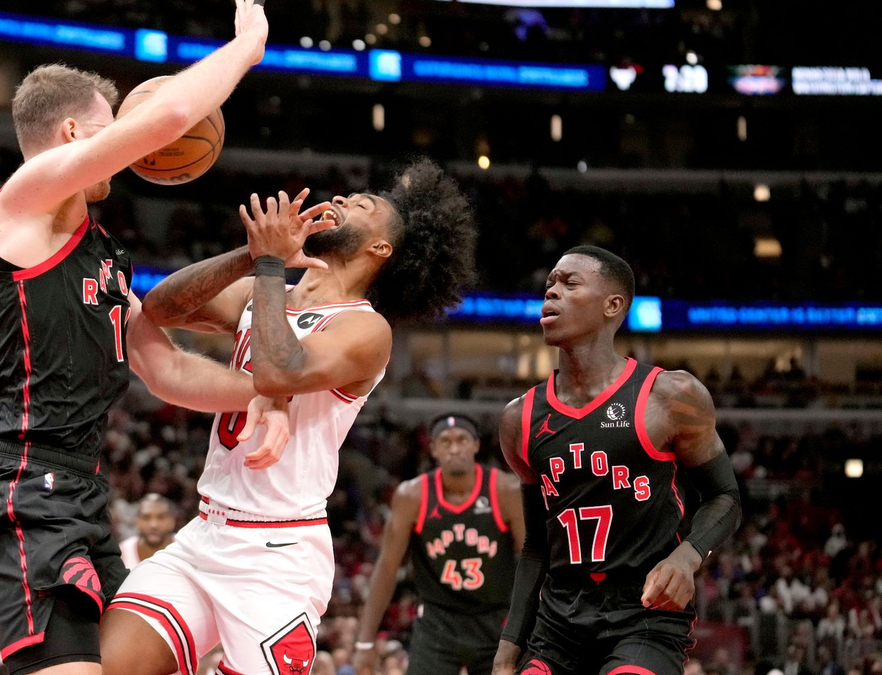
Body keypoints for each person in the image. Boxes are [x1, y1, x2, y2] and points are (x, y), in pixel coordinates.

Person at [0, 4, 282, 675]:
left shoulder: (104, 255)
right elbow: (163, 119)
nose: (133, 149)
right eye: (112, 130)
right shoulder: (24, 202)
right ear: (74, 132)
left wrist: (265, 392)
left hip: (78, 489)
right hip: (20, 477)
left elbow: (164, 368)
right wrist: (247, 47)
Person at [102, 158, 478, 675]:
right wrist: (253, 255)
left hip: (277, 554)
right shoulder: (270, 288)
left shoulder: (366, 331)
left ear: (380, 249)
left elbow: (277, 372)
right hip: (204, 534)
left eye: (361, 205)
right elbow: (164, 307)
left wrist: (271, 267)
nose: (342, 200)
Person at [492, 246, 742, 675]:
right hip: (559, 619)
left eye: (570, 284)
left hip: (645, 610)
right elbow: (536, 546)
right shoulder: (520, 419)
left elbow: (726, 496)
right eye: (550, 283)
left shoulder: (670, 396)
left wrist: (688, 556)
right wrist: (507, 648)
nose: (551, 292)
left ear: (613, 305)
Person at [352, 414, 524, 675]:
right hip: (437, 622)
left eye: (462, 440)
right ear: (433, 449)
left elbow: (531, 561)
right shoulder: (413, 496)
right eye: (445, 441)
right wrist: (364, 641)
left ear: (476, 445)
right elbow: (387, 568)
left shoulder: (505, 491)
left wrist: (532, 629)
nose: (454, 448)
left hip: (496, 620)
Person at [119, 494, 178, 569]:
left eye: (161, 517)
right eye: (146, 518)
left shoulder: (187, 550)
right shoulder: (122, 553)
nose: (153, 525)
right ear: (137, 521)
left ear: (172, 521)